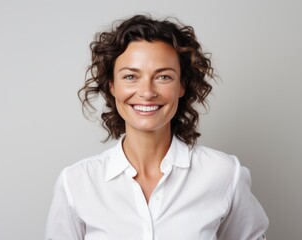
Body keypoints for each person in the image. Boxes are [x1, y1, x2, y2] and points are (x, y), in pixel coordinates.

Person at [45, 14, 269, 240]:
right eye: (131, 76)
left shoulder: (224, 174)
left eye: (163, 77)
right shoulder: (76, 183)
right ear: (112, 86)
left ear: (182, 86)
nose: (147, 92)